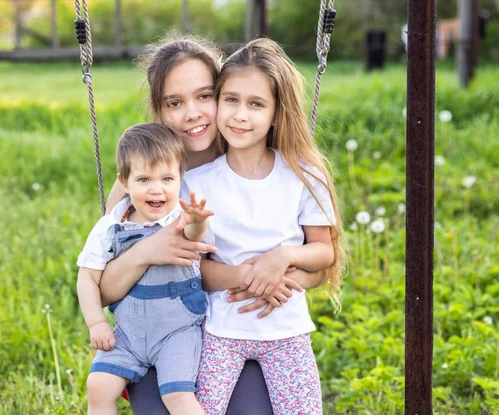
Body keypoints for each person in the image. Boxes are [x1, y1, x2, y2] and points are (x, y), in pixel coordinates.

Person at [98, 35, 329, 414]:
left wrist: (275, 278)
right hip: (167, 337)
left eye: (204, 96)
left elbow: (319, 265)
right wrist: (146, 251)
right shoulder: (143, 183)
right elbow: (104, 288)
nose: (193, 113)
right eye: (175, 102)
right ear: (158, 110)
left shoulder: (257, 162)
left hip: (243, 326)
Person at [182, 38, 347, 414]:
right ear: (218, 103)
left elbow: (324, 251)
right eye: (231, 100)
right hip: (222, 331)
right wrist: (249, 276)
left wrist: (281, 258)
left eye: (256, 104)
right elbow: (198, 270)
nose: (241, 115)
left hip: (287, 332)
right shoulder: (199, 183)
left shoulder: (303, 176)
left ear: (276, 113)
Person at [77, 123, 214, 415]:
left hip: (176, 332)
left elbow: (194, 238)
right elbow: (87, 277)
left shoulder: (181, 217)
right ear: (123, 182)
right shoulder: (112, 226)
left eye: (167, 178)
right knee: (98, 386)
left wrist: (199, 221)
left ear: (181, 178)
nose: (156, 189)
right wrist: (96, 323)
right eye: (143, 179)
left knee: (177, 396)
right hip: (127, 333)